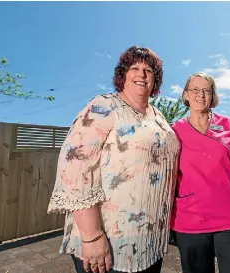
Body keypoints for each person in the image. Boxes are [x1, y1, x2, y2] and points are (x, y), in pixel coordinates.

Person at [47, 46, 180, 273]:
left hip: (149, 243)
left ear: (155, 79)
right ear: (123, 74)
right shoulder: (104, 106)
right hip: (110, 242)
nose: (141, 74)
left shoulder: (157, 116)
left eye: (149, 70)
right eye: (134, 68)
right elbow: (75, 170)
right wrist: (92, 237)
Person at [170, 72, 230, 273]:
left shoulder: (228, 125)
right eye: (194, 89)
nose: (200, 95)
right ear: (185, 95)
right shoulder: (173, 132)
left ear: (213, 96)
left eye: (206, 90)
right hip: (191, 220)